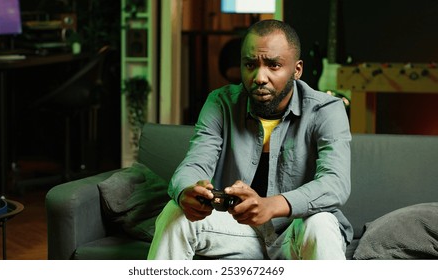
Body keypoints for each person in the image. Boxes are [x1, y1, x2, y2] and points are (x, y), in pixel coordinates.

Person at [148, 19, 353, 260]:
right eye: (250, 64)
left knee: (321, 222)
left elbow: (335, 183)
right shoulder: (221, 103)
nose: (259, 77)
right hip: (239, 232)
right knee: (176, 211)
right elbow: (195, 163)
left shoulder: (326, 109)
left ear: (297, 70)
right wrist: (187, 191)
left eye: (274, 65)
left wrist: (271, 206)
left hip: (296, 233)